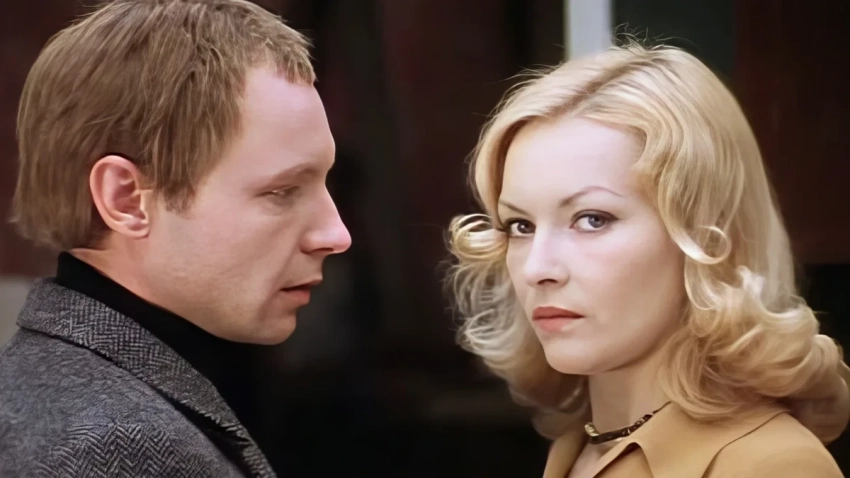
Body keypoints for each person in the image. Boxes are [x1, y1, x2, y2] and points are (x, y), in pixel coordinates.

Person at [446, 42, 849, 477]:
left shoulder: (769, 465)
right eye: (520, 225)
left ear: (706, 236)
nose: (537, 269)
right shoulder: (579, 448)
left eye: (592, 219)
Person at [0, 0, 350, 476]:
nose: (336, 234)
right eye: (281, 191)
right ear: (126, 199)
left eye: (325, 183)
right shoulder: (115, 445)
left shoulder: (58, 392)